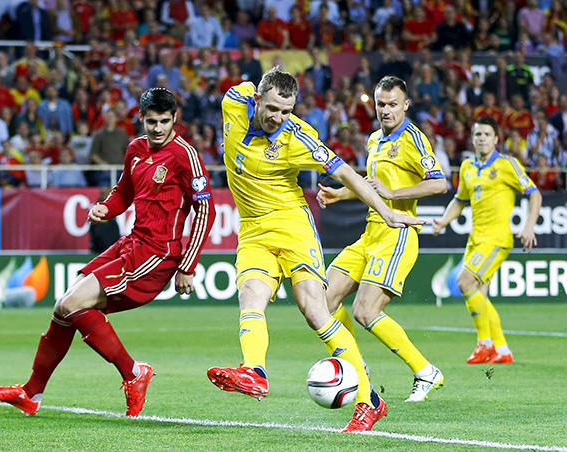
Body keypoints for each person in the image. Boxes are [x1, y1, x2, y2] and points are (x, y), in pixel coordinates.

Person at [206, 68, 424, 432]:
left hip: (293, 227)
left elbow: (348, 174)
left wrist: (386, 211)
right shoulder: (234, 101)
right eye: (272, 108)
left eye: (287, 111)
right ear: (257, 100)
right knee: (250, 296)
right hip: (253, 230)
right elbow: (240, 90)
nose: (278, 118)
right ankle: (255, 371)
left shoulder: (298, 138)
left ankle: (369, 400)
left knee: (314, 309)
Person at [0, 88, 216, 417]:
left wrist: (187, 266)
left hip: (158, 254)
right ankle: (31, 393)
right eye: (152, 121)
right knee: (63, 307)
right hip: (131, 243)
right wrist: (106, 208)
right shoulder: (135, 149)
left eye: (165, 121)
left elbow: (206, 211)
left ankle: (133, 373)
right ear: (141, 118)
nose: (158, 128)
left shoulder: (185, 156)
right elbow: (124, 192)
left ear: (175, 118)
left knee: (72, 304)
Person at [317, 75, 448, 403]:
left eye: (393, 104)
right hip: (370, 233)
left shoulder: (414, 139)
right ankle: (354, 364)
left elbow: (439, 183)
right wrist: (340, 194)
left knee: (365, 311)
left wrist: (394, 193)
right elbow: (372, 186)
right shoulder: (374, 139)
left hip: (397, 234)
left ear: (406, 105)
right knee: (322, 300)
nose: (386, 110)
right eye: (381, 104)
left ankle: (425, 371)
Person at [433, 116, 542, 364]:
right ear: (472, 139)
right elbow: (460, 200)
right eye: (478, 134)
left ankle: (484, 343)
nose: (482, 139)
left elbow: (534, 194)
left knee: (464, 281)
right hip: (476, 239)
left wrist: (528, 226)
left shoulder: (507, 164)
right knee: (480, 295)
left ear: (496, 138)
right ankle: (502, 349)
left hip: (496, 239)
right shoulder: (467, 167)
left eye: (487, 134)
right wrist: (443, 221)